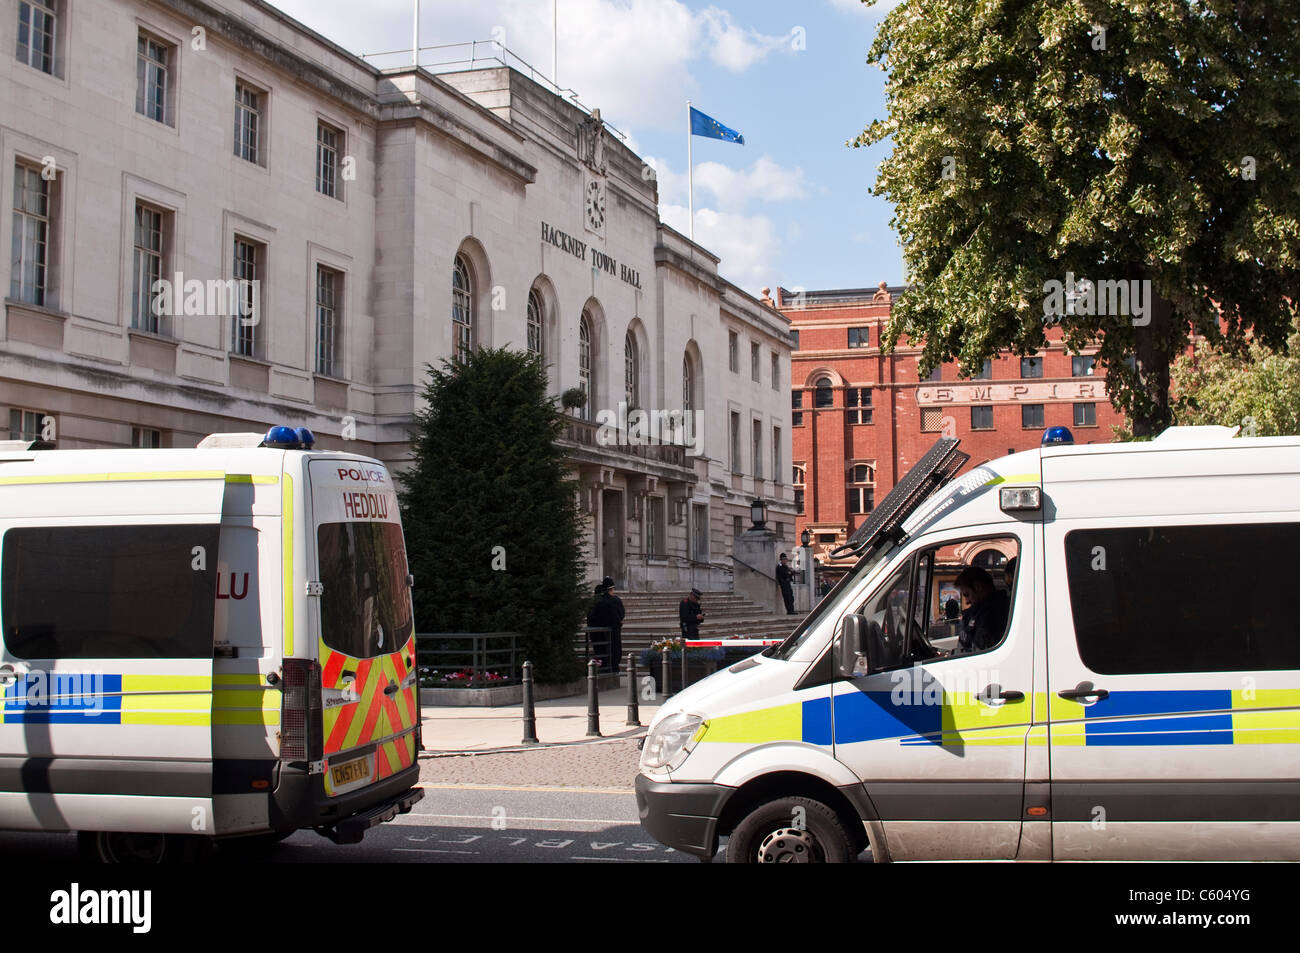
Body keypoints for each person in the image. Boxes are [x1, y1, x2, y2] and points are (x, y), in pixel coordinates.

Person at [954, 566, 1011, 654]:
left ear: (978, 587)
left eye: (967, 594)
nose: (967, 601)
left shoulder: (991, 615)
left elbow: (978, 649)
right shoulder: (977, 613)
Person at [586, 578, 624, 669]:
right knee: (614, 653)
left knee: (601, 654)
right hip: (613, 632)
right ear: (611, 589)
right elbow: (621, 614)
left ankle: (603, 667)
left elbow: (591, 617)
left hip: (598, 635)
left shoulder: (596, 602)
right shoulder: (615, 600)